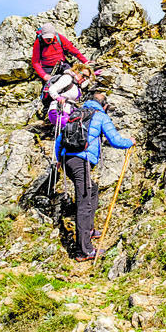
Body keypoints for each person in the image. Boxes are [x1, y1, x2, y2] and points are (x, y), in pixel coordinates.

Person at [55, 92, 134, 262]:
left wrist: (59, 160)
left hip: (67, 160)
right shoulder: (100, 116)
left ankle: (89, 230)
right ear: (104, 106)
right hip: (81, 162)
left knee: (92, 190)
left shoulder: (77, 114)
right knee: (83, 203)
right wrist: (130, 142)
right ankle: (83, 251)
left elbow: (59, 140)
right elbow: (115, 140)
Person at [47, 63, 93, 128]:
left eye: (87, 77)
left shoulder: (77, 84)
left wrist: (94, 74)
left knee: (76, 130)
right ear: (76, 71)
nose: (85, 78)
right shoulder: (67, 78)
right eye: (83, 75)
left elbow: (87, 82)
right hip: (58, 111)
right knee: (72, 128)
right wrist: (57, 97)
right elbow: (52, 88)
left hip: (69, 112)